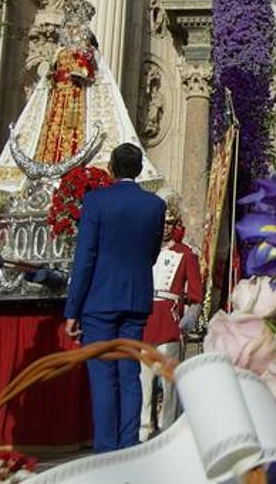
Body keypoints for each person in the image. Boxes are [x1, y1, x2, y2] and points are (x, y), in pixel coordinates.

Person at [65, 142, 165, 454]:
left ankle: (107, 449)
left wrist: (72, 309)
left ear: (111, 168)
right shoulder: (155, 205)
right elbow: (151, 253)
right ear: (139, 170)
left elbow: (85, 258)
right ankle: (129, 444)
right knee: (129, 373)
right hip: (136, 297)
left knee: (103, 373)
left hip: (99, 298)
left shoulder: (96, 201)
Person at [140, 198, 201, 440]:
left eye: (169, 223)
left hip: (169, 319)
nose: (165, 227)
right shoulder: (145, 251)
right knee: (143, 380)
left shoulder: (185, 254)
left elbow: (195, 291)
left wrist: (190, 317)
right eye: (162, 223)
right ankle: (144, 427)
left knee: (169, 380)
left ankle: (168, 429)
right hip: (146, 318)